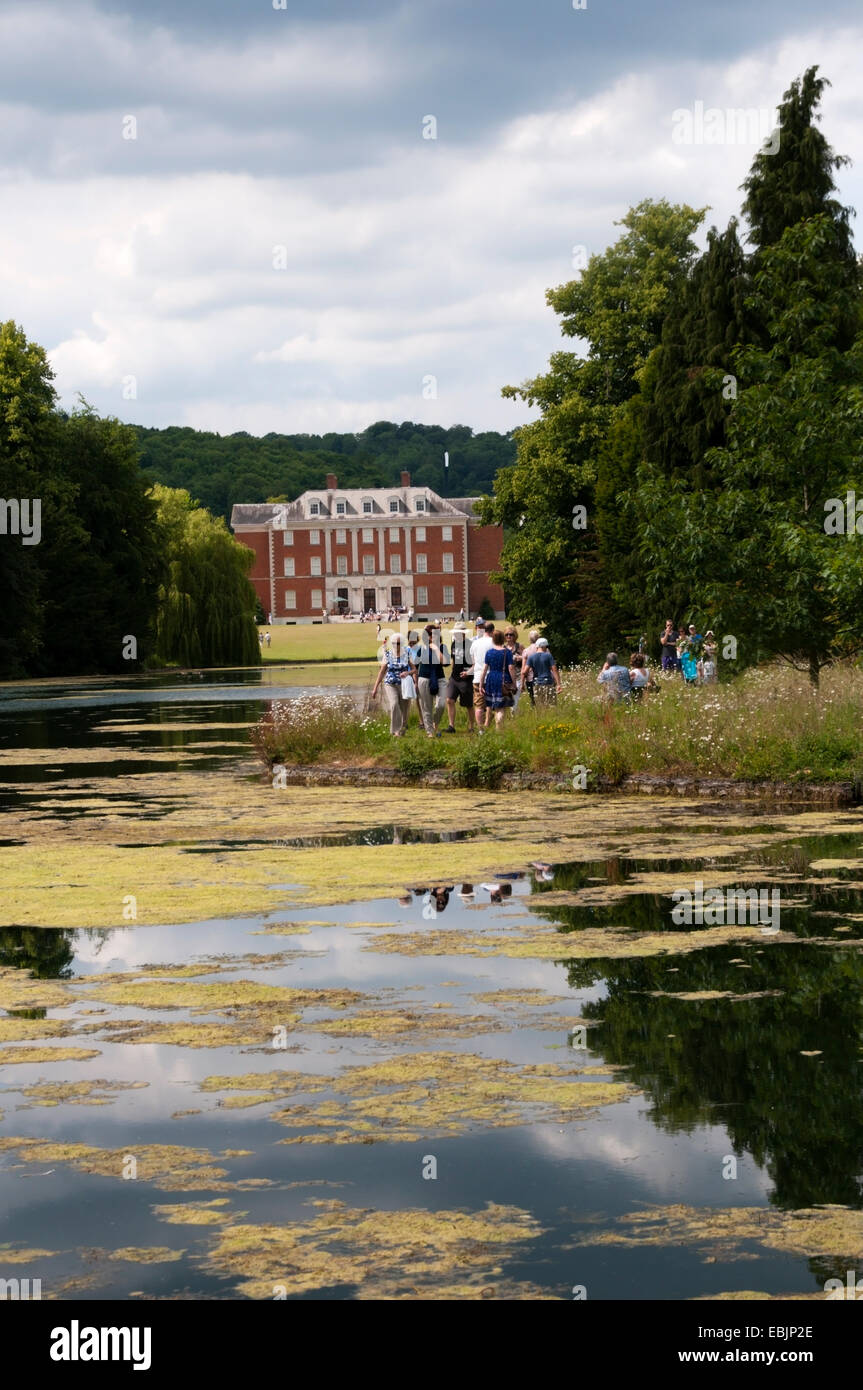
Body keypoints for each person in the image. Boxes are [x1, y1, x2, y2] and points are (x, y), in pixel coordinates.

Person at [370, 634, 417, 736]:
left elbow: (414, 669)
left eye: (398, 643)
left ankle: (402, 729)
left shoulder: (407, 653)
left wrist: (407, 673)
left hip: (404, 684)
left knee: (405, 708)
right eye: (394, 643)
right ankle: (395, 730)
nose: (396, 645)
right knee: (394, 703)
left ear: (402, 644)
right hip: (390, 683)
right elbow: (382, 672)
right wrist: (375, 688)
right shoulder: (387, 654)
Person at [416, 624, 450, 738]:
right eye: (429, 634)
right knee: (426, 707)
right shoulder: (422, 648)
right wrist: (415, 682)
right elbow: (415, 666)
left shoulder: (442, 647)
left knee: (440, 705)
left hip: (440, 678)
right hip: (424, 678)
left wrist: (436, 648)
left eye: (434, 634)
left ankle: (435, 722)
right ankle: (430, 731)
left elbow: (445, 662)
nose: (431, 636)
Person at [444, 624, 476, 735]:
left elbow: (475, 663)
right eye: (454, 633)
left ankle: (472, 726)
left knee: (468, 705)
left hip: (466, 679)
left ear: (463, 633)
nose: (455, 634)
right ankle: (451, 726)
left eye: (457, 632)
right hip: (454, 677)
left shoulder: (470, 645)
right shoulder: (453, 644)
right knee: (449, 700)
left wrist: (468, 673)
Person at [481, 630, 516, 728]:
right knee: (501, 708)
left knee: (491, 704)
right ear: (503, 639)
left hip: (491, 679)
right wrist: (514, 683)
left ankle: (488, 725)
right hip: (503, 679)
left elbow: (484, 669)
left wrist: (480, 684)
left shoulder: (489, 652)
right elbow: (511, 668)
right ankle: (498, 727)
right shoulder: (507, 652)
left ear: (493, 639)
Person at [470, 620, 495, 730]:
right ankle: (487, 724)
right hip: (491, 676)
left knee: (479, 706)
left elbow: (473, 661)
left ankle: (481, 729)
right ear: (493, 631)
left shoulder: (475, 643)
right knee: (490, 703)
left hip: (477, 676)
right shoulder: (494, 642)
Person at [523, 636, 561, 703]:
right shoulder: (548, 656)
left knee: (540, 706)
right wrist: (558, 684)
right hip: (548, 683)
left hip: (536, 684)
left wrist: (523, 683)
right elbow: (554, 670)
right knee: (551, 705)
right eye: (546, 647)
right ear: (544, 646)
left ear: (537, 646)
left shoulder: (531, 657)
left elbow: (524, 672)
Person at [503, 627, 524, 712]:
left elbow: (527, 658)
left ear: (515, 636)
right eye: (507, 634)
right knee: (506, 699)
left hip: (518, 676)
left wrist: (520, 658)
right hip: (506, 677)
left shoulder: (519, 646)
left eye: (511, 634)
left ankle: (513, 716)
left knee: (515, 698)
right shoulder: (503, 647)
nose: (509, 636)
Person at [520, 629, 540, 706]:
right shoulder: (545, 650)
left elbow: (523, 669)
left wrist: (522, 683)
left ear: (529, 639)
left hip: (530, 679)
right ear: (538, 638)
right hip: (544, 678)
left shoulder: (526, 651)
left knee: (533, 700)